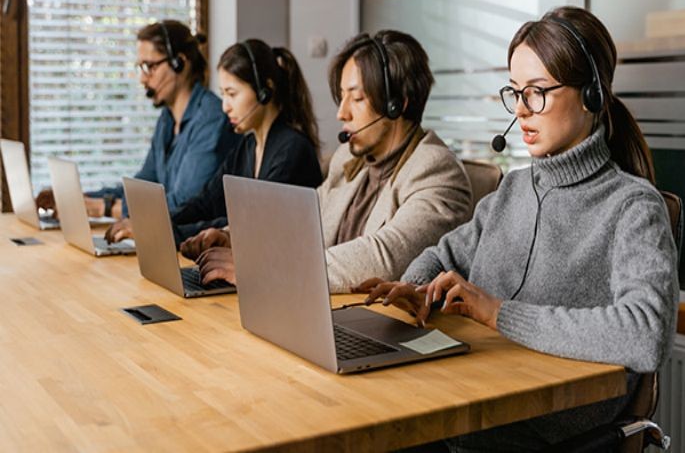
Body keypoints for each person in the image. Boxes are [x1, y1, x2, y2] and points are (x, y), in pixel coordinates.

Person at [357, 7, 679, 451]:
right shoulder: (513, 189)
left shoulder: (633, 206)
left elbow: (646, 334)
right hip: (467, 404)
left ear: (591, 95)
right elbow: (443, 255)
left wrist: (499, 313)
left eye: (538, 93)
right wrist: (416, 288)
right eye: (515, 93)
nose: (522, 111)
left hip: (530, 430)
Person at [186, 30, 473, 291]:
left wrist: (263, 269)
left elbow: (384, 258)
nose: (342, 113)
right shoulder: (351, 161)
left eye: (356, 98)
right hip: (324, 309)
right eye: (342, 97)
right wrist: (234, 236)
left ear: (397, 103)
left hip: (389, 326)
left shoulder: (436, 171)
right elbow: (300, 220)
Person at [37, 20, 237, 240]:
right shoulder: (167, 120)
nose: (143, 78)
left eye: (150, 66)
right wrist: (78, 198)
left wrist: (101, 208)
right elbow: (142, 186)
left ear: (180, 63)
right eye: (140, 67)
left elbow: (182, 205)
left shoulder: (212, 120)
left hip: (191, 246)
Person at [110, 39, 323, 243]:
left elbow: (249, 224)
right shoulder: (248, 146)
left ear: (265, 91)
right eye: (223, 95)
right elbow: (206, 202)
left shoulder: (292, 150)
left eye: (232, 94)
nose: (225, 106)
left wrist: (165, 232)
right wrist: (152, 224)